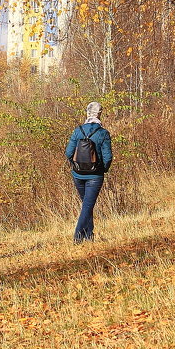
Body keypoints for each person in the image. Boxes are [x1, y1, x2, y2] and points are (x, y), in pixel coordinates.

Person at [64, 101, 113, 243]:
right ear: (100, 114)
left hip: (78, 175)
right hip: (95, 176)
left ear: (87, 113)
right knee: (87, 205)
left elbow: (68, 153)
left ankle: (89, 235)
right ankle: (78, 237)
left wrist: (75, 166)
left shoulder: (78, 130)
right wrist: (102, 169)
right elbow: (108, 157)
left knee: (87, 204)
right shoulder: (103, 133)